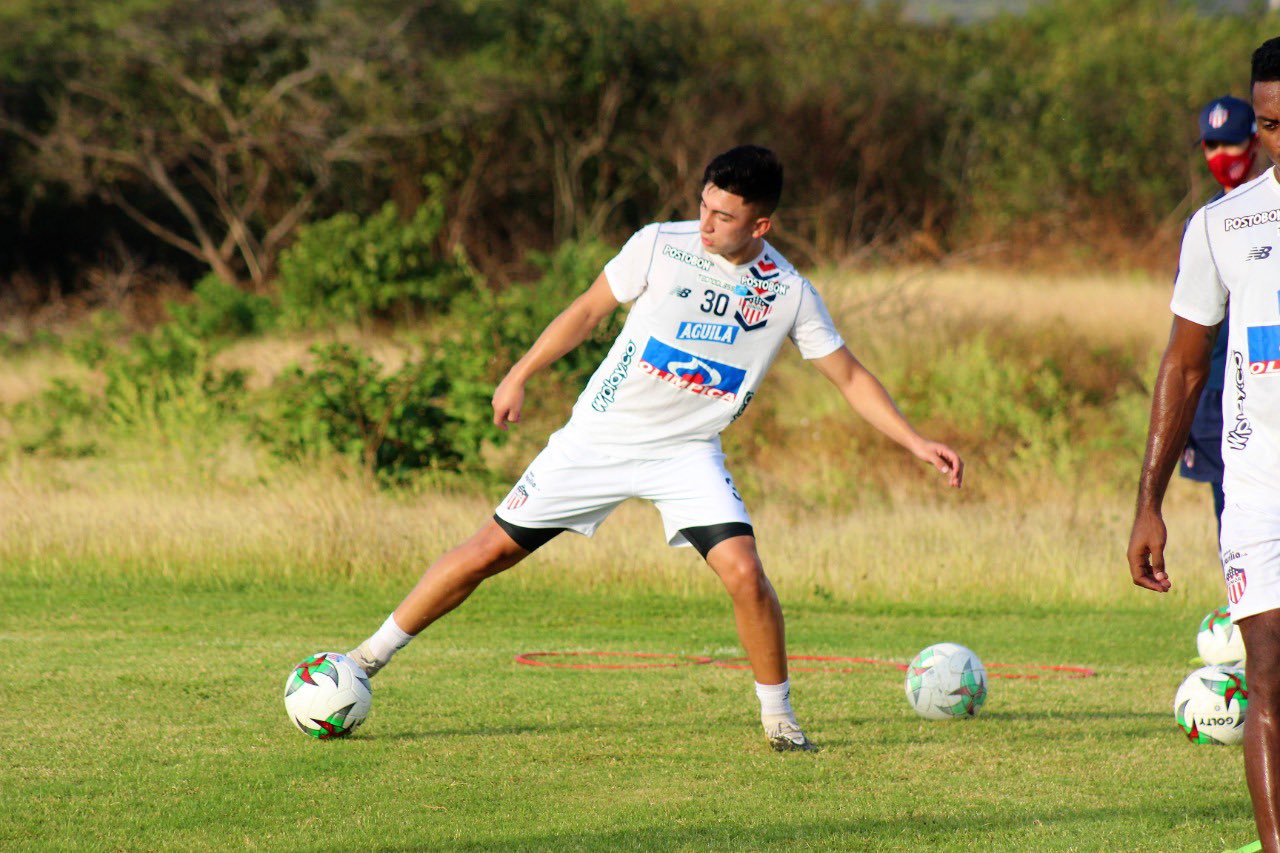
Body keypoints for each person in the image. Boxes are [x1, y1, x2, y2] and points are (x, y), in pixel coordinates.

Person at [344, 145, 963, 753]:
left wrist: (914, 441)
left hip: (686, 452)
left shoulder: (789, 293)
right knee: (485, 554)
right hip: (597, 438)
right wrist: (520, 372)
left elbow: (849, 376)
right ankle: (364, 659)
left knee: (746, 573)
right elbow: (588, 310)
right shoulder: (659, 244)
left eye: (724, 216)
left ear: (761, 225)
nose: (706, 223)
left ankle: (779, 719)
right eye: (703, 206)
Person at [1127, 37, 1280, 852]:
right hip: (1259, 485)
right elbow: (1185, 364)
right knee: (1267, 673)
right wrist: (1148, 502)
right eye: (1270, 124)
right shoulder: (1223, 224)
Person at [1178, 95, 1265, 535]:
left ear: (1255, 141)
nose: (1221, 156)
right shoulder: (1205, 223)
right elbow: (1188, 333)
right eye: (1211, 145)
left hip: (1267, 383)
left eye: (1230, 144)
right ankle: (1241, 605)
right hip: (1216, 392)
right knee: (1229, 516)